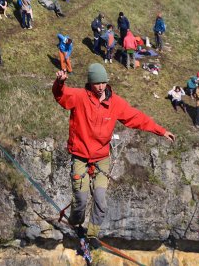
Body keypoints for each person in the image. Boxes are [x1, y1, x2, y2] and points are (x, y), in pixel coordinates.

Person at [52, 63, 175, 249]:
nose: (100, 87)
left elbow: (137, 117)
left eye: (103, 82)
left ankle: (92, 234)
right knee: (81, 198)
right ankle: (75, 221)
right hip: (81, 156)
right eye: (96, 83)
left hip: (101, 157)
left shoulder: (114, 103)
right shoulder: (79, 97)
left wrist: (161, 131)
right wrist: (59, 83)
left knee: (100, 199)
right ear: (90, 83)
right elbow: (61, 96)